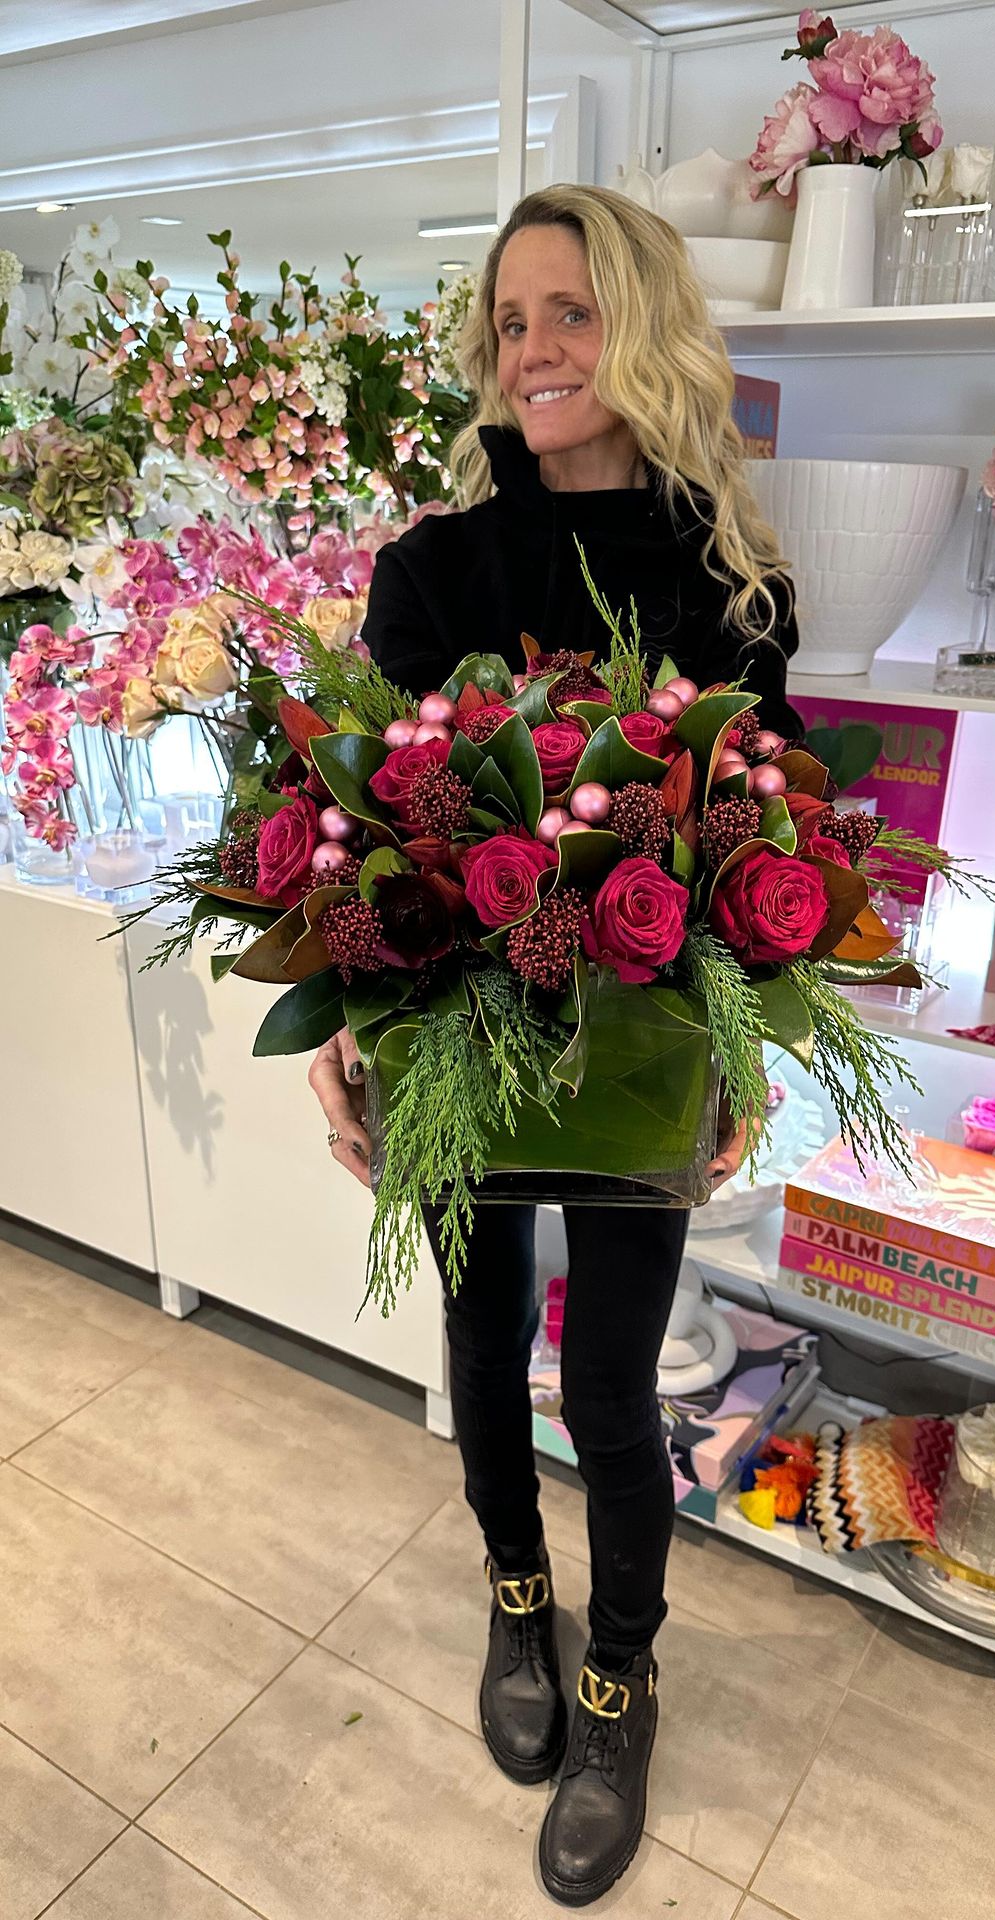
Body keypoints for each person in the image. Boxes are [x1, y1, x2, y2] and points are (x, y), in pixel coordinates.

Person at [308, 183, 801, 1908]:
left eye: (570, 313)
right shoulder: (431, 569)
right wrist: (342, 1025)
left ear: (640, 326)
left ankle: (623, 1677)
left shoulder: (733, 585)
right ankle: (519, 1601)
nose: (533, 351)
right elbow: (364, 835)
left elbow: (762, 841)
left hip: (638, 1053)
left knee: (608, 1379)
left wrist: (746, 1050)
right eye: (511, 322)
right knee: (478, 1329)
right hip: (461, 1045)